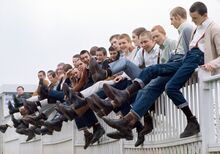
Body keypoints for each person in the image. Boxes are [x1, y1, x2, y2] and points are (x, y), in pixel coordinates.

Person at [102, 4, 208, 139]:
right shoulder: (182, 32)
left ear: (177, 17)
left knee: (152, 74)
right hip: (177, 64)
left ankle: (120, 100)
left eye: (171, 19)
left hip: (181, 63)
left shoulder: (186, 28)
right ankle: (127, 122)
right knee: (147, 88)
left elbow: (189, 53)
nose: (170, 22)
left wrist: (204, 63)